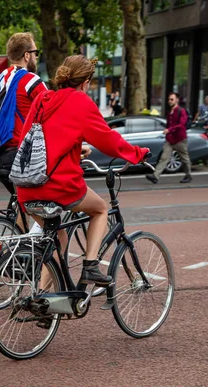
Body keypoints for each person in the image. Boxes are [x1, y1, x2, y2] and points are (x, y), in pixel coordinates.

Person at [16, 55, 149, 287]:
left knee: (58, 237)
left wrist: (73, 152)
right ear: (86, 82)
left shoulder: (42, 99)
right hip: (59, 186)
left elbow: (31, 141)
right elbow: (108, 141)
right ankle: (91, 266)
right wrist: (136, 153)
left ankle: (43, 299)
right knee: (99, 210)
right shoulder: (81, 102)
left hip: (26, 188)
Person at [0, 32, 47, 197]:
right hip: (17, 154)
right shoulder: (31, 80)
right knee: (49, 197)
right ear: (27, 56)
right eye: (36, 53)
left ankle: (15, 221)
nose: (36, 58)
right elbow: (54, 113)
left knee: (22, 203)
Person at [145, 92, 193, 184]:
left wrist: (169, 130)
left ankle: (188, 175)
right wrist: (168, 133)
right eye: (169, 99)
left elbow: (181, 125)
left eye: (172, 99)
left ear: (177, 100)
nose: (169, 101)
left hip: (180, 139)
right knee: (164, 157)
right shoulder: (170, 112)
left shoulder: (181, 111)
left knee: (184, 158)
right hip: (170, 140)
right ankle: (155, 176)